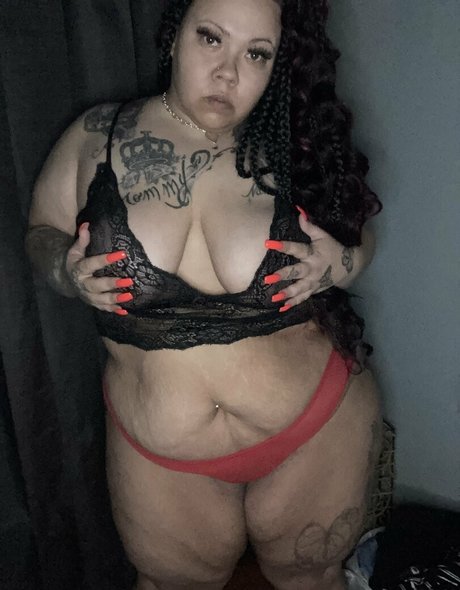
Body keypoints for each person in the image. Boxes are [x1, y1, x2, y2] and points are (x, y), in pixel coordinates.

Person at [26, 0, 383, 588]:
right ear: (174, 36)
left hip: (314, 428)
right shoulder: (97, 135)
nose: (227, 73)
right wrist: (66, 273)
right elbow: (41, 232)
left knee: (312, 580)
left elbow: (358, 233)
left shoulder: (293, 141)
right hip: (162, 456)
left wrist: (341, 262)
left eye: (257, 54)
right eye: (211, 38)